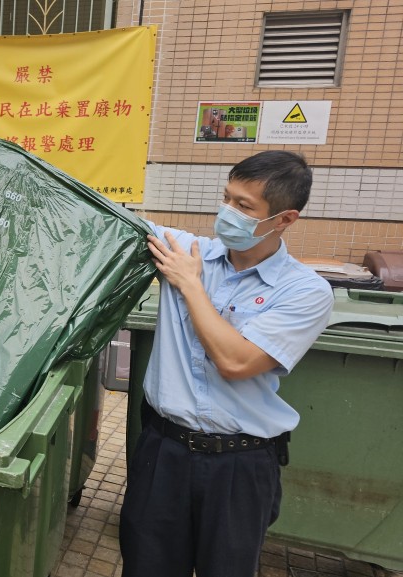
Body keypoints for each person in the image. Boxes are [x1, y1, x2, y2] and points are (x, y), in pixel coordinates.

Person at [119, 150, 334, 577]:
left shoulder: (305, 292)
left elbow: (235, 362)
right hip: (163, 453)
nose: (227, 213)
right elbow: (109, 222)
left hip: (239, 465)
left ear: (284, 219)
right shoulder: (190, 251)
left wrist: (189, 284)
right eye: (227, 198)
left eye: (243, 206)